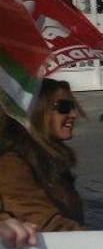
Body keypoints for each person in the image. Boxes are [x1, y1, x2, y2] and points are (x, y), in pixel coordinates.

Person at [0, 79, 85, 231]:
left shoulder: (49, 158)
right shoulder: (13, 163)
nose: (74, 114)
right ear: (37, 111)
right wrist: (100, 241)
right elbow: (43, 222)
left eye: (73, 107)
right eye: (64, 107)